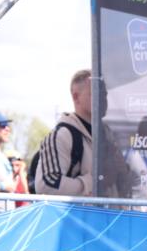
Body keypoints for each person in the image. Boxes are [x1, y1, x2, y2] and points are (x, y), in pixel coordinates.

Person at [31, 70, 129, 198]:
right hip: (81, 212)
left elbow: (123, 181)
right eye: (96, 93)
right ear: (76, 97)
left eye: (104, 94)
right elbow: (46, 185)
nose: (103, 99)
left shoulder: (109, 135)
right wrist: (95, 181)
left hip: (110, 210)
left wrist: (124, 173)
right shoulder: (63, 135)